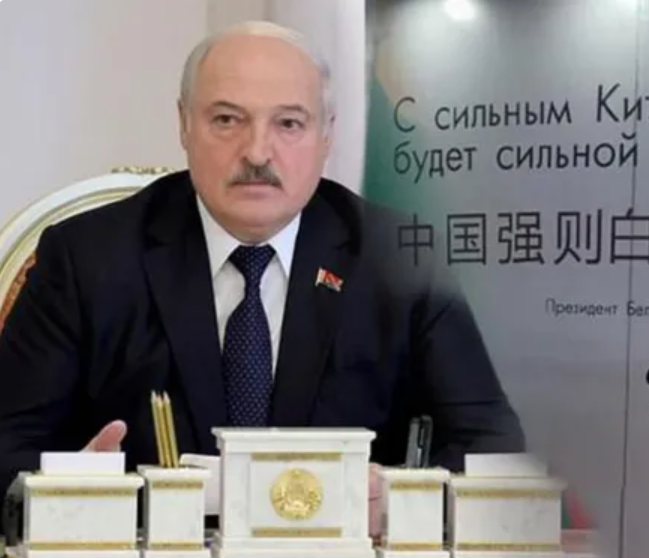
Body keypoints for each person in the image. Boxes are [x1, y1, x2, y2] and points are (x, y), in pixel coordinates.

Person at [0, 21, 525, 525]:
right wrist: (72, 489)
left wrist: (397, 500)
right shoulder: (87, 257)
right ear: (184, 124)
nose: (256, 152)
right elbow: (8, 447)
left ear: (327, 135)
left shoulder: (400, 257)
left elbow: (490, 447)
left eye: (289, 124)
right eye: (227, 120)